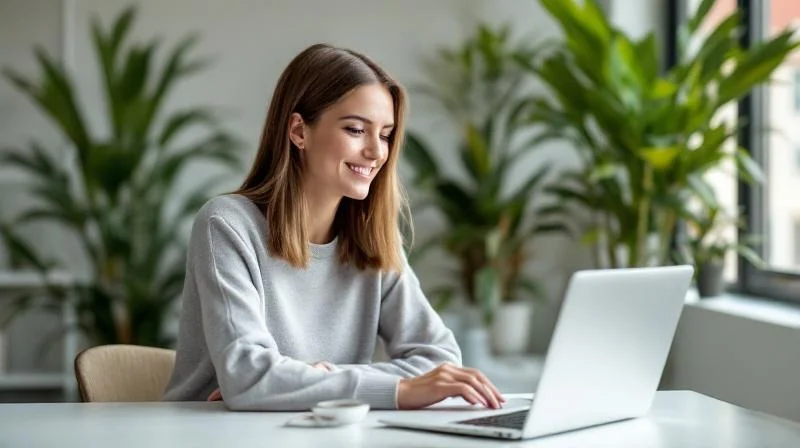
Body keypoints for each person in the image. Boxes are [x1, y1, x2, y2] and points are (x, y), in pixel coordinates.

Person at [162, 43, 505, 411]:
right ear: (298, 131)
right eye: (356, 129)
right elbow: (248, 378)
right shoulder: (227, 225)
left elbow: (440, 361)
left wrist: (307, 378)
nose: (377, 152)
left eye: (386, 134)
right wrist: (397, 389)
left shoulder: (373, 239)